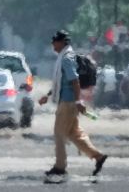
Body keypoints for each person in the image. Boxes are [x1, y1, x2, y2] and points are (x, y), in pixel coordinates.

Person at [38, 30, 108, 177]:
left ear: (62, 42)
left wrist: (78, 101)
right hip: (67, 100)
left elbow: (74, 80)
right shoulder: (63, 56)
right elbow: (61, 82)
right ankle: (98, 157)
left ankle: (60, 167)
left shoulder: (66, 58)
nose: (53, 44)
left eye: (55, 41)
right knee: (74, 134)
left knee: (59, 133)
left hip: (68, 102)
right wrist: (48, 95)